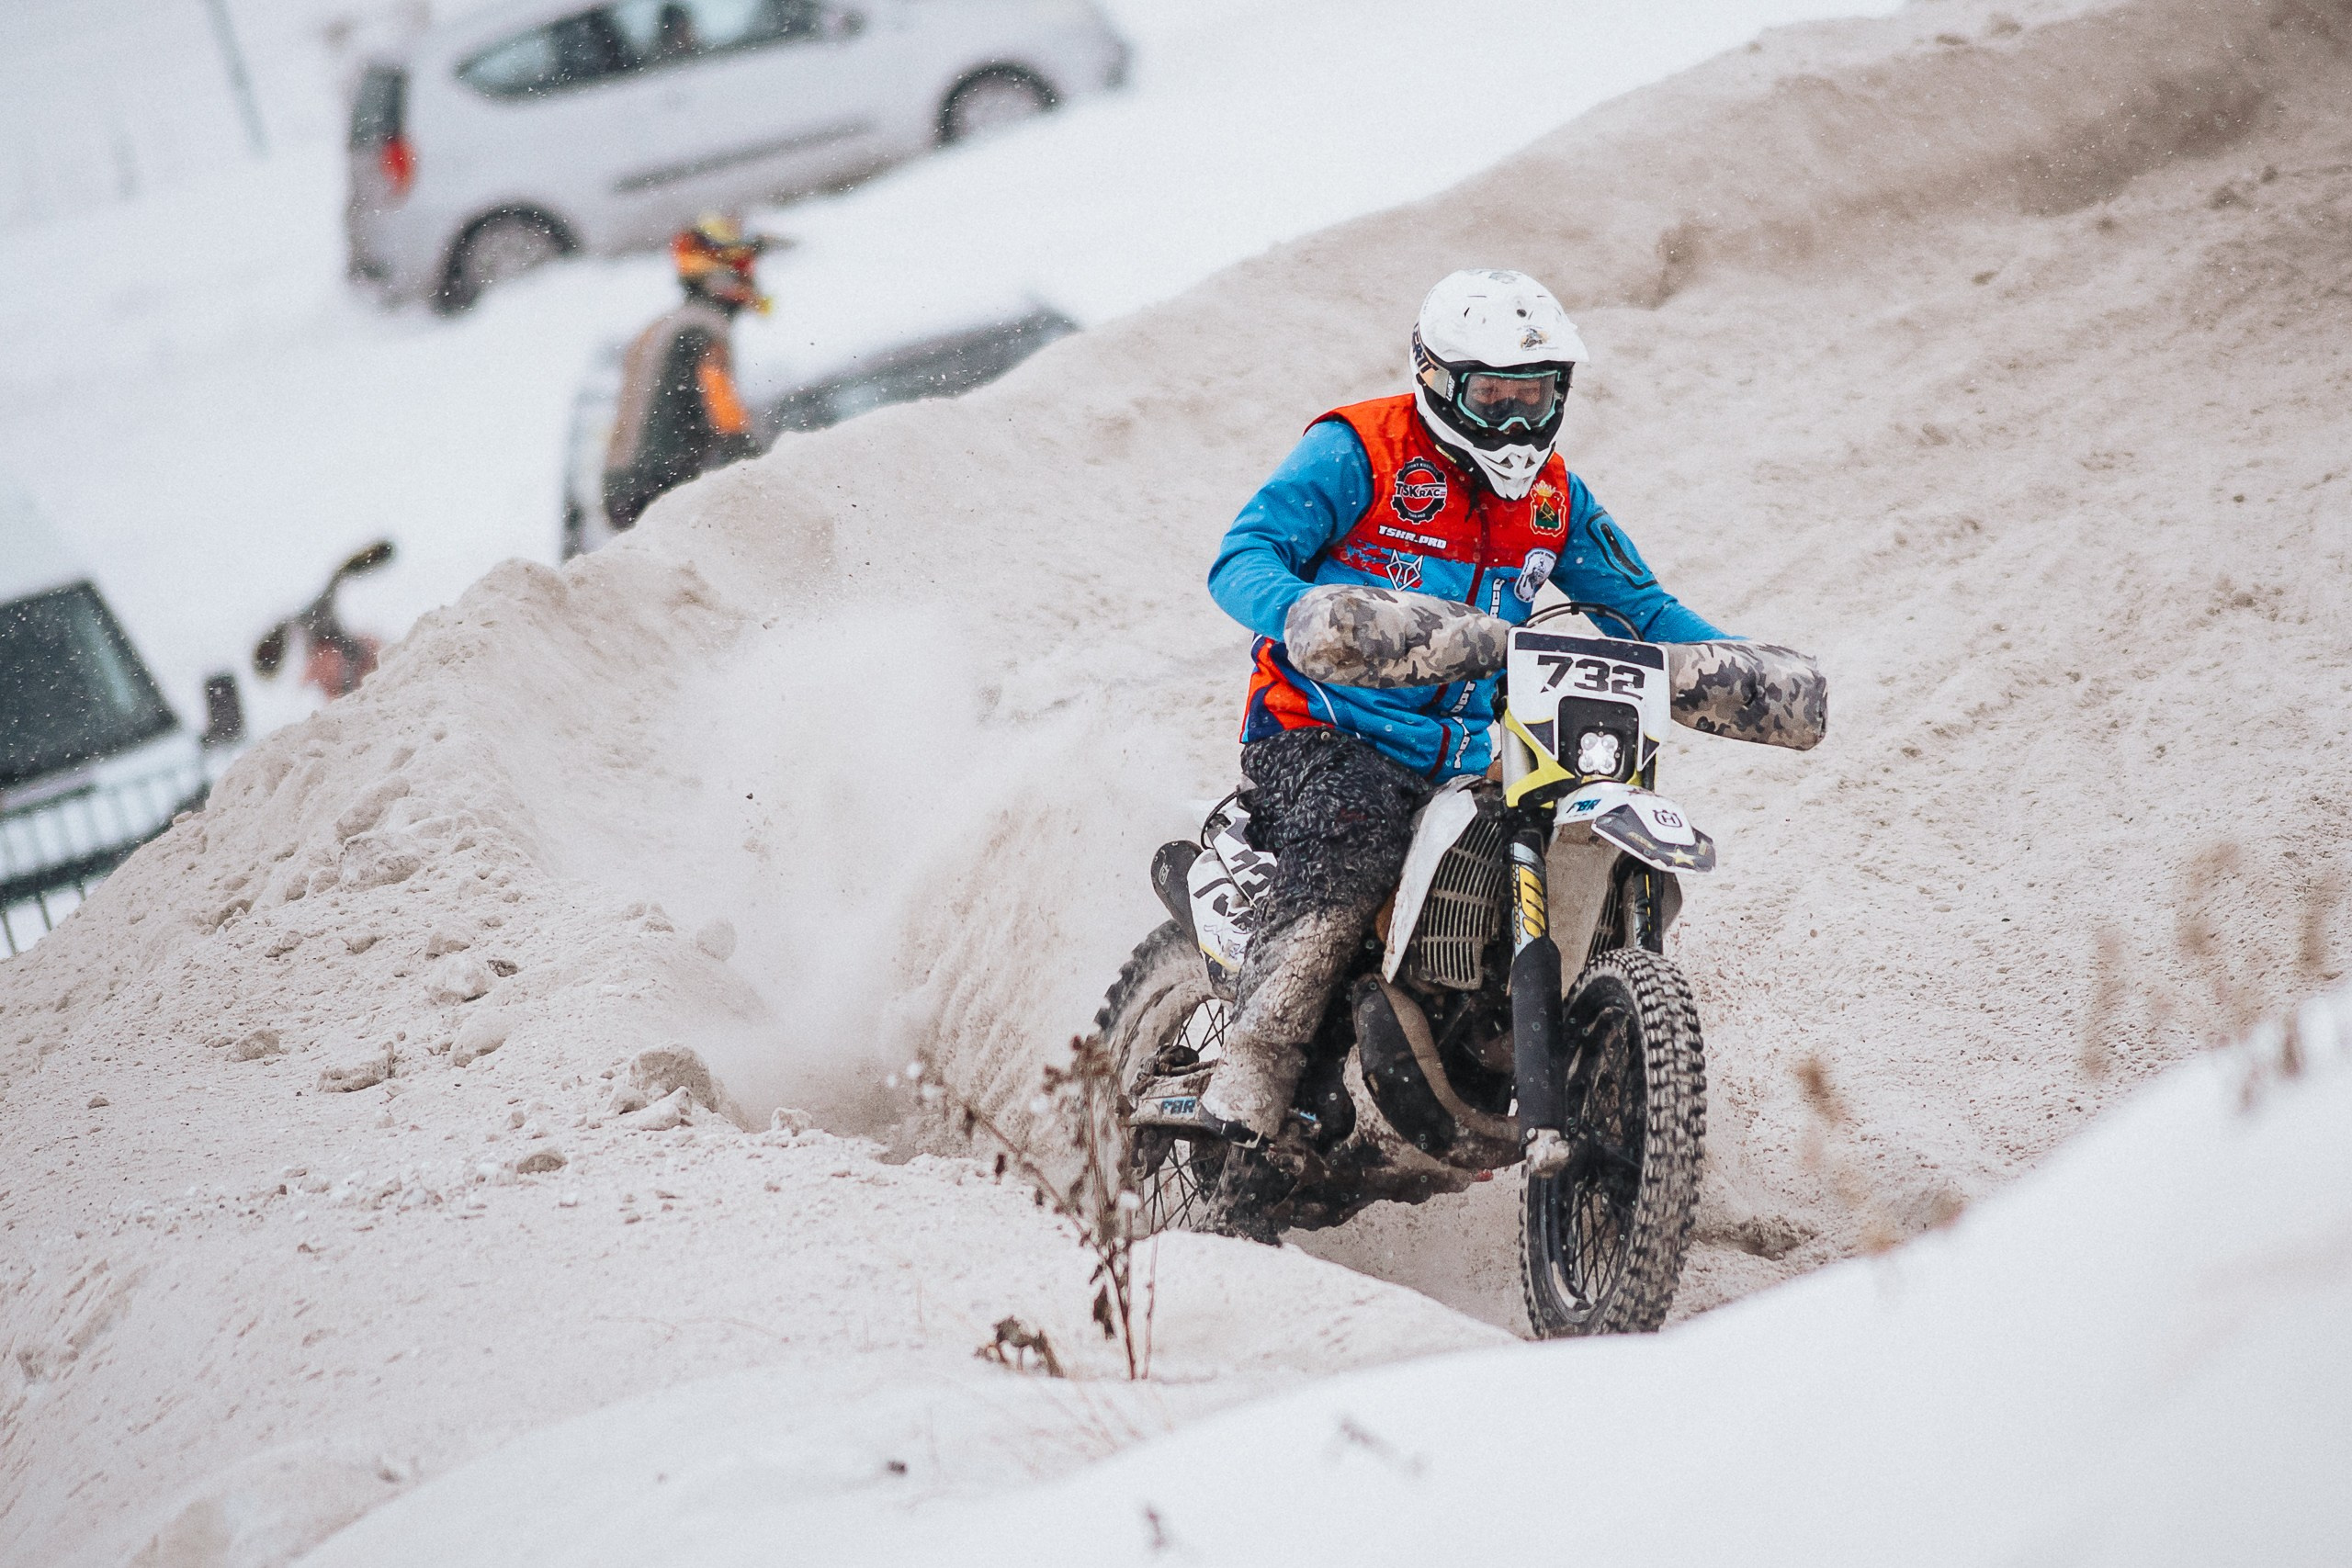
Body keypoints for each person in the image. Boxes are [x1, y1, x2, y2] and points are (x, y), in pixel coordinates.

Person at [1196, 268, 1734, 1231]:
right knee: (1355, 840)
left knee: (1590, 848)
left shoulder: (1554, 497)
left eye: (1537, 400)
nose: (1520, 426)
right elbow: (1242, 555)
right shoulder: (1355, 451)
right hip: (1321, 732)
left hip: (1468, 750)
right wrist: (1301, 610)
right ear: (1437, 382)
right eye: (1495, 399)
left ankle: (1585, 1074)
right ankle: (1254, 1065)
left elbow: (1643, 608)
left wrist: (1733, 663)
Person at [601, 214, 770, 532]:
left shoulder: (668, 325)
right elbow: (724, 411)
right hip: (659, 487)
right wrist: (758, 466)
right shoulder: (702, 329)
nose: (751, 280)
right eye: (743, 268)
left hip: (625, 486)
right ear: (718, 277)